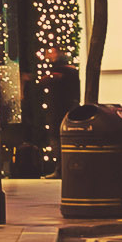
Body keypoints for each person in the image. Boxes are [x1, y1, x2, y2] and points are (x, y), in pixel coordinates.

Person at [26, 48, 77, 176]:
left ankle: (61, 169)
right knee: (60, 139)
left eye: (51, 52)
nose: (49, 55)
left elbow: (47, 80)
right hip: (63, 109)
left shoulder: (61, 71)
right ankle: (63, 168)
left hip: (59, 110)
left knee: (57, 139)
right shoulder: (69, 70)